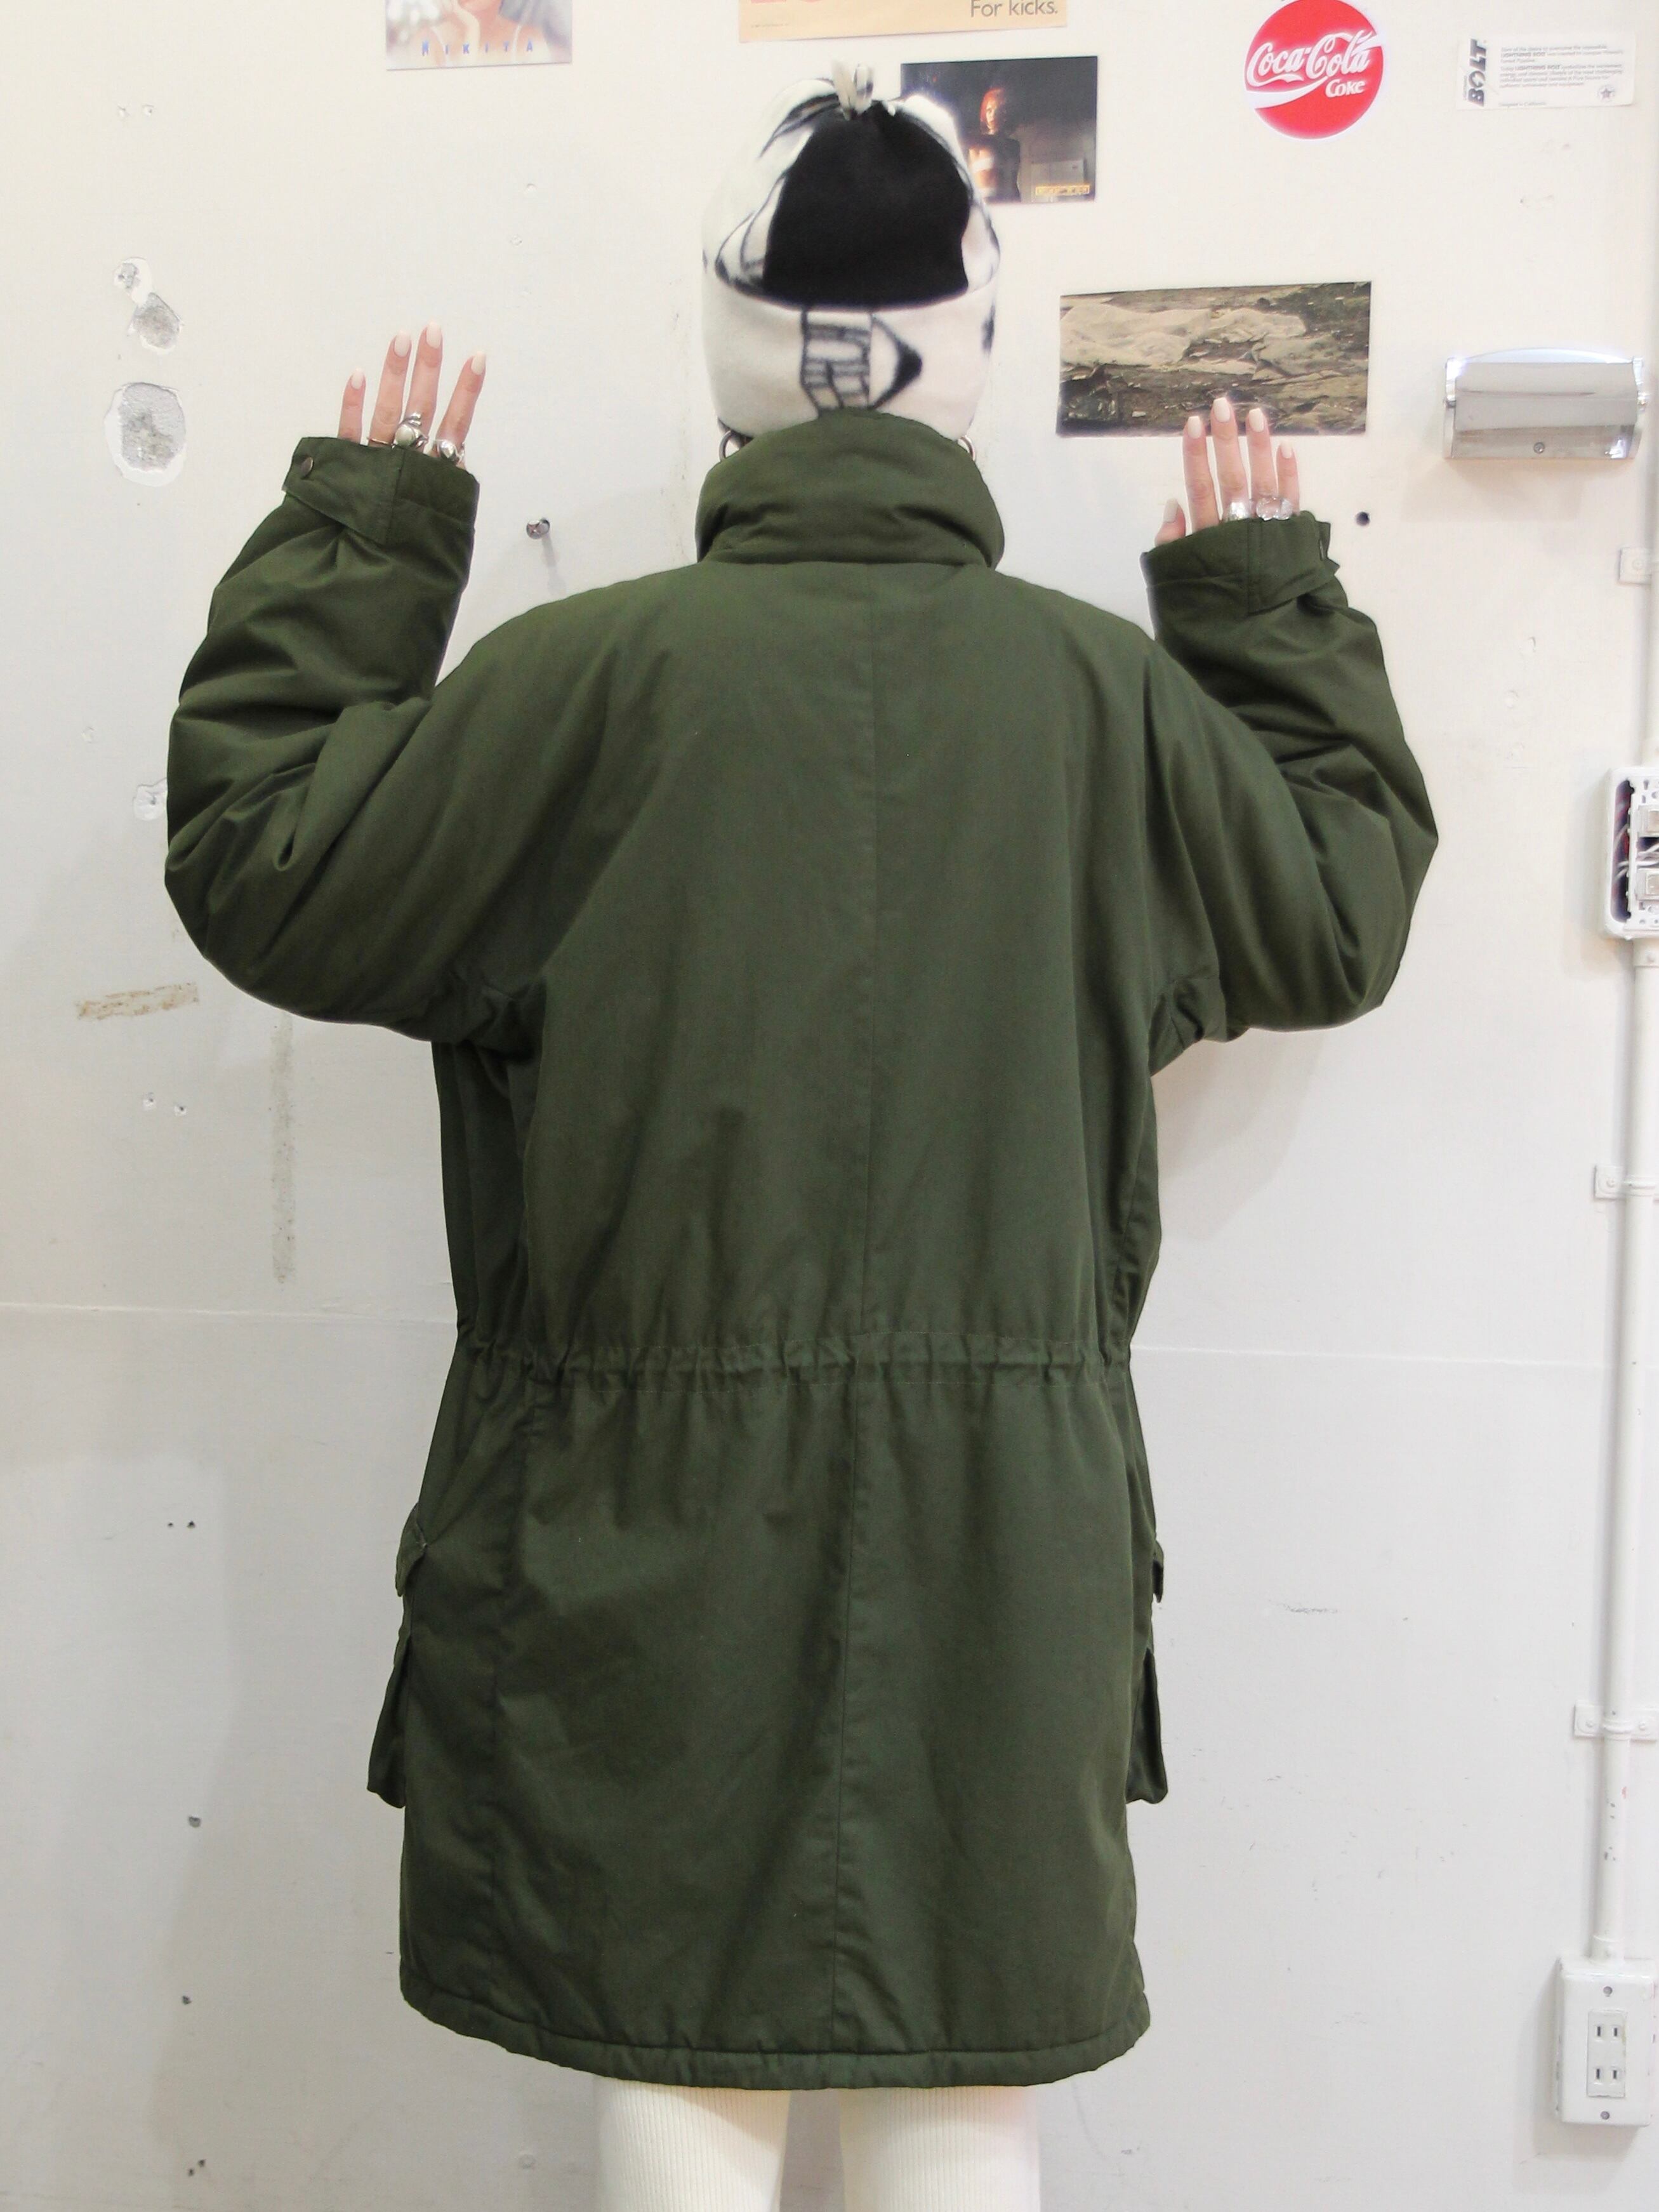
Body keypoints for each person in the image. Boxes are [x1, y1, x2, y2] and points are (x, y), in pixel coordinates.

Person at [163, 63, 1436, 2212]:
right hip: (999, 1544)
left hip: (633, 1531)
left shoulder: (576, 686)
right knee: (963, 2058)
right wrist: (1250, 593)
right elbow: (1341, 900)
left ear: (735, 363)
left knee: (678, 2050)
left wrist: (367, 539)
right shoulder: (1105, 705)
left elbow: (262, 856)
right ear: (965, 363)